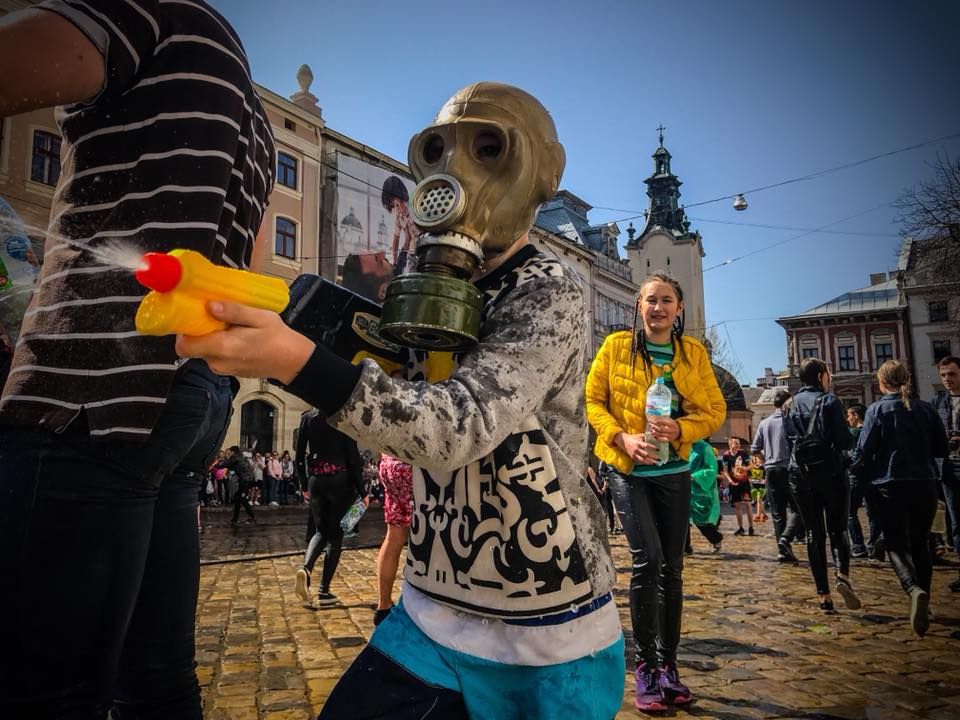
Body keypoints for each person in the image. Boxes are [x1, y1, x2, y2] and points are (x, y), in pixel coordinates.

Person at [178, 82, 623, 720]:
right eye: (437, 151)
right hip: (433, 601)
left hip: (545, 623)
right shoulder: (423, 281)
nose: (454, 174)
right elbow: (396, 384)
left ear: (541, 174)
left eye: (489, 149)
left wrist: (293, 361)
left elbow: (459, 423)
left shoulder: (548, 286)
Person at [0, 3, 274, 717]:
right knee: (155, 681)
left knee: (43, 691)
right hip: (188, 390)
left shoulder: (145, 11)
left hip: (93, 386)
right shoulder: (238, 79)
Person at [586, 272, 725, 712]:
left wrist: (682, 427)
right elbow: (593, 402)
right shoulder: (614, 348)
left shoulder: (692, 353)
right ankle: (646, 666)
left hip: (675, 470)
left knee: (673, 569)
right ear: (638, 307)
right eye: (651, 300)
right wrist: (621, 439)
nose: (658, 308)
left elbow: (715, 410)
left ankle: (670, 666)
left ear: (679, 309)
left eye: (667, 300)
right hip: (628, 471)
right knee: (648, 561)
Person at [851, 361, 948, 636]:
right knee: (921, 543)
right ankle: (924, 600)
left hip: (889, 485)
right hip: (925, 482)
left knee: (894, 543)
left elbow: (864, 450)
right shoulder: (926, 409)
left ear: (881, 383)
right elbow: (941, 447)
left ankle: (913, 588)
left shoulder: (877, 410)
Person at [785, 358, 861, 614]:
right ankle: (842, 576)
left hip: (799, 475)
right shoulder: (829, 401)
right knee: (838, 529)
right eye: (828, 374)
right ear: (821, 376)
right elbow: (842, 440)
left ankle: (824, 597)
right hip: (830, 473)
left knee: (812, 533)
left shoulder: (789, 404)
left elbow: (790, 441)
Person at [294, 409, 367, 607]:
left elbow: (299, 456)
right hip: (340, 479)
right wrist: (363, 491)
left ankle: (306, 568)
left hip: (316, 480)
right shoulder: (343, 415)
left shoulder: (307, 417)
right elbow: (353, 459)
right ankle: (324, 591)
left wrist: (303, 485)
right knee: (335, 536)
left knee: (320, 531)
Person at [752, 389, 801, 562]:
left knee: (777, 512)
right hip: (788, 469)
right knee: (799, 507)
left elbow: (754, 449)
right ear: (788, 403)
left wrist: (766, 460)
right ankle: (786, 538)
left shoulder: (764, 423)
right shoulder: (790, 421)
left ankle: (782, 550)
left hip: (770, 470)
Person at [374, 453, 414, 625]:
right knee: (430, 535)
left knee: (393, 538)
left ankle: (383, 606)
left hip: (390, 463)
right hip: (414, 464)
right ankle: (421, 605)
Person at [933, 356, 960, 592]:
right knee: (956, 522)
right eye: (943, 375)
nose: (947, 380)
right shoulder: (939, 401)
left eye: (951, 374)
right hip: (948, 467)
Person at [845, 403, 880, 559]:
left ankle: (858, 546)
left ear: (856, 416)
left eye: (849, 415)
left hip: (855, 476)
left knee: (850, 512)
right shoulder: (872, 431)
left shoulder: (852, 433)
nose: (848, 419)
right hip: (873, 475)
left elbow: (849, 454)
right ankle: (873, 544)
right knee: (873, 512)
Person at [686, 441, 724, 553]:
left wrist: (694, 476)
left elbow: (711, 470)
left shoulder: (705, 448)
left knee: (701, 521)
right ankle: (685, 548)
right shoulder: (682, 445)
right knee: (682, 520)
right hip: (684, 489)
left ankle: (716, 538)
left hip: (701, 491)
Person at [381, 175, 418, 276]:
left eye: (401, 202)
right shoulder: (398, 216)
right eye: (394, 206)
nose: (400, 208)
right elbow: (396, 238)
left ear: (404, 197)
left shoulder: (415, 208)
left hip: (420, 249)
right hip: (410, 252)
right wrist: (395, 260)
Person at [722, 437, 755, 536]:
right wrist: (730, 480)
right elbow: (725, 470)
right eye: (736, 443)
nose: (738, 445)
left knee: (748, 504)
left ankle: (751, 527)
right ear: (730, 444)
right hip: (734, 484)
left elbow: (751, 465)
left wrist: (744, 468)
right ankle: (741, 528)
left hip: (744, 483)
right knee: (737, 505)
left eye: (738, 443)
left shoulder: (743, 453)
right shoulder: (726, 455)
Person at [225, 446, 257, 525]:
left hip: (246, 481)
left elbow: (226, 464)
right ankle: (235, 519)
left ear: (233, 452)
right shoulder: (241, 458)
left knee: (242, 499)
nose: (230, 453)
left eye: (230, 452)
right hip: (245, 481)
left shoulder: (236, 458)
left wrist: (214, 465)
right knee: (237, 498)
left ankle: (252, 517)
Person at [749, 453, 767, 522]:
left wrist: (764, 480)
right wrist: (750, 480)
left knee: (759, 500)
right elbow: (749, 477)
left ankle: (758, 516)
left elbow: (766, 476)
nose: (756, 460)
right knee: (757, 502)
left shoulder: (763, 468)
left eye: (757, 459)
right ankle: (764, 515)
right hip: (754, 487)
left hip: (761, 487)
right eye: (755, 459)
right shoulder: (751, 468)